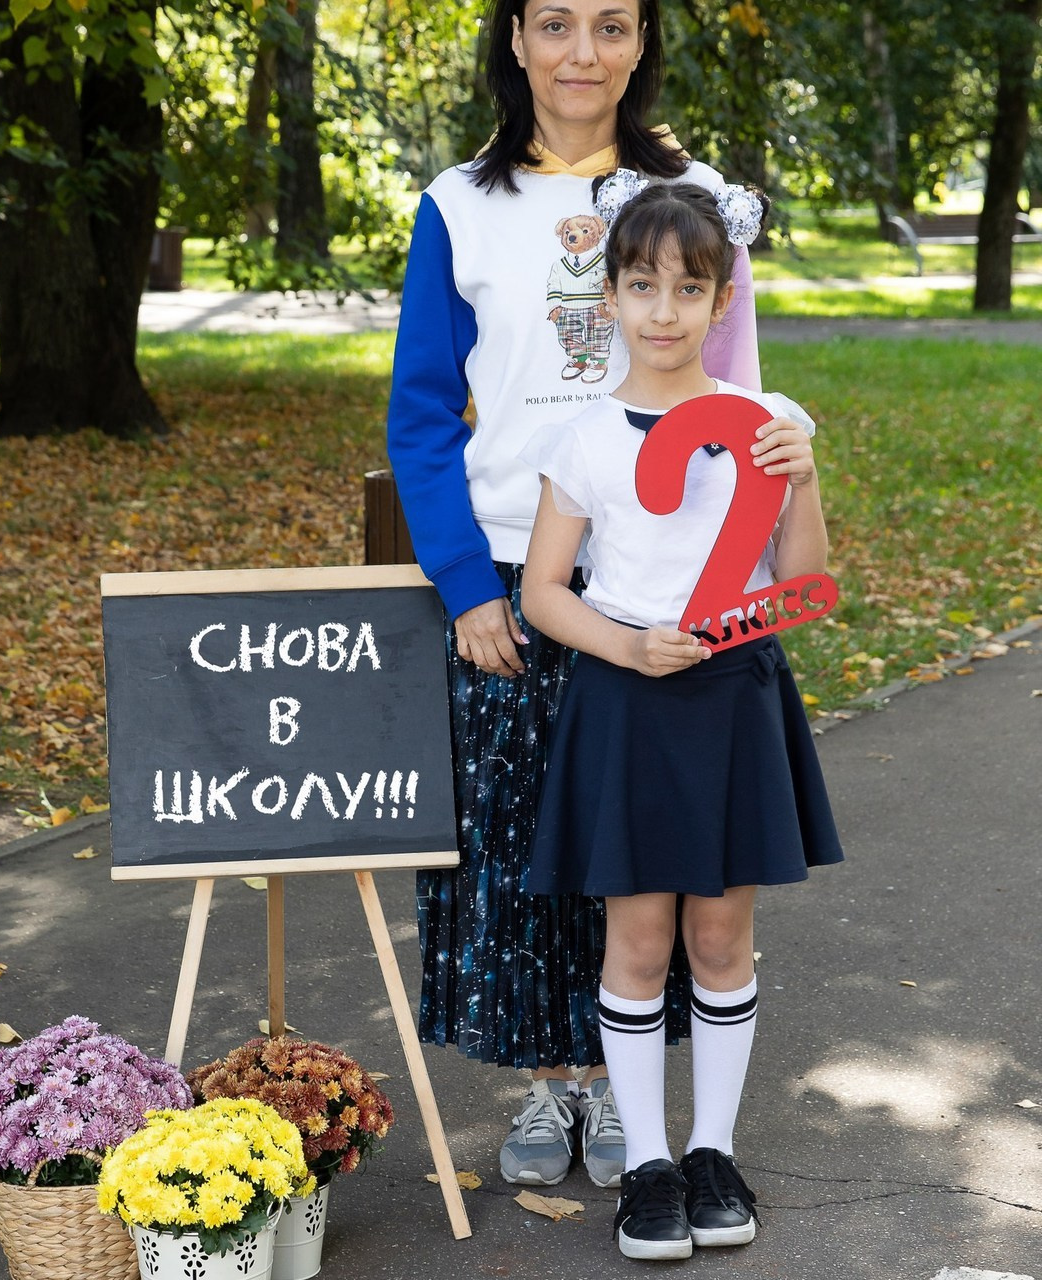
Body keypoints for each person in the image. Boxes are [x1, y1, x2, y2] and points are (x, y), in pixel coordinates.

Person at [386, 0, 773, 1189]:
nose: (580, 53)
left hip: (661, 578)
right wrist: (462, 585)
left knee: (650, 849)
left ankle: (633, 1103)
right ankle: (555, 1086)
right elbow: (418, 415)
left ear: (642, 42)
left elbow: (738, 393)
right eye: (553, 23)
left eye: (610, 25)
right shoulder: (459, 204)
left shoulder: (694, 195)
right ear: (512, 39)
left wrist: (738, 594)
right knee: (530, 847)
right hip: (515, 573)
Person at [519, 177, 844, 1260]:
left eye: (688, 287)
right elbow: (543, 592)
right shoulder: (585, 438)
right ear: (606, 297)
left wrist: (802, 485)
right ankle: (648, 1164)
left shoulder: (769, 423)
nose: (663, 309)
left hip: (733, 695)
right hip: (624, 696)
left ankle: (712, 1149)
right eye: (641, 284)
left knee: (717, 933)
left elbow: (800, 589)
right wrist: (624, 645)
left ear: (721, 299)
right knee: (638, 933)